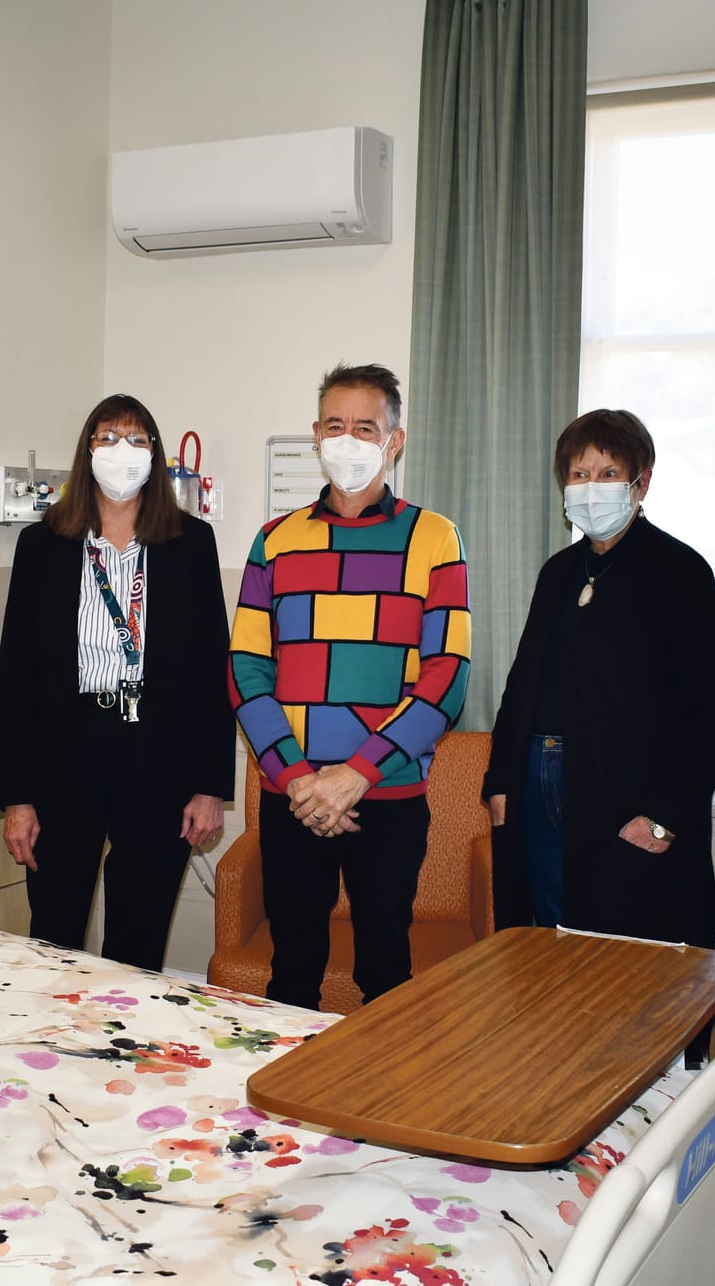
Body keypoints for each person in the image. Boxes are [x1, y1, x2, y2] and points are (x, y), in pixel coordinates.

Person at [229, 363, 470, 1010]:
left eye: (366, 427)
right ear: (315, 433)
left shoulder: (435, 536)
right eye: (336, 425)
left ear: (395, 439)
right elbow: (247, 668)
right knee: (292, 971)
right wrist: (301, 778)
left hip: (387, 797)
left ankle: (376, 1104)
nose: (349, 439)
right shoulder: (274, 541)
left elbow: (447, 676)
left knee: (386, 970)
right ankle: (276, 1108)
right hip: (293, 795)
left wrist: (355, 774)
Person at [0, 394, 232, 972]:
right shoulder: (42, 545)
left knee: (139, 937)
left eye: (137, 440)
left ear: (156, 454)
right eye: (107, 438)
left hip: (160, 755)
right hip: (64, 754)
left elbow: (210, 671)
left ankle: (129, 1052)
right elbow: (16, 674)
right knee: (54, 933)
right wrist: (17, 798)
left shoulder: (190, 545)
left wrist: (209, 786)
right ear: (86, 451)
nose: (123, 452)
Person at [483, 409, 715, 949]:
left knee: (624, 960)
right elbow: (521, 685)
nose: (590, 488)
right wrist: (502, 782)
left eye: (606, 475)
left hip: (627, 793)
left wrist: (665, 819)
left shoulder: (681, 572)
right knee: (547, 944)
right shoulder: (559, 571)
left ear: (641, 482)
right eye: (579, 475)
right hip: (538, 782)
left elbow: (714, 713)